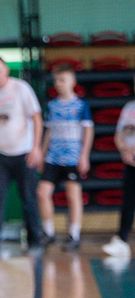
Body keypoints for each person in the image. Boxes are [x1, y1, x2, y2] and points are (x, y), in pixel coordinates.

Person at [0, 57, 48, 257]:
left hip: (24, 153)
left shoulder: (21, 88)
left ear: (5, 70)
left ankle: (35, 242)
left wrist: (36, 148)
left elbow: (36, 118)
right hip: (0, 155)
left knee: (29, 199)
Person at [37, 64, 94, 251]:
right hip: (53, 157)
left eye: (63, 80)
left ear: (72, 82)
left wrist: (84, 156)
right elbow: (49, 132)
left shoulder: (81, 105)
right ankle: (49, 232)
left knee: (73, 195)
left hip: (72, 158)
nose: (59, 84)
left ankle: (74, 234)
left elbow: (88, 130)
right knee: (42, 193)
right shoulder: (52, 106)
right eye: (56, 81)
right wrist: (42, 154)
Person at [102, 87, 135, 258]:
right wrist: (125, 151)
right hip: (130, 162)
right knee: (128, 203)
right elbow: (120, 133)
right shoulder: (129, 107)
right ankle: (121, 241)